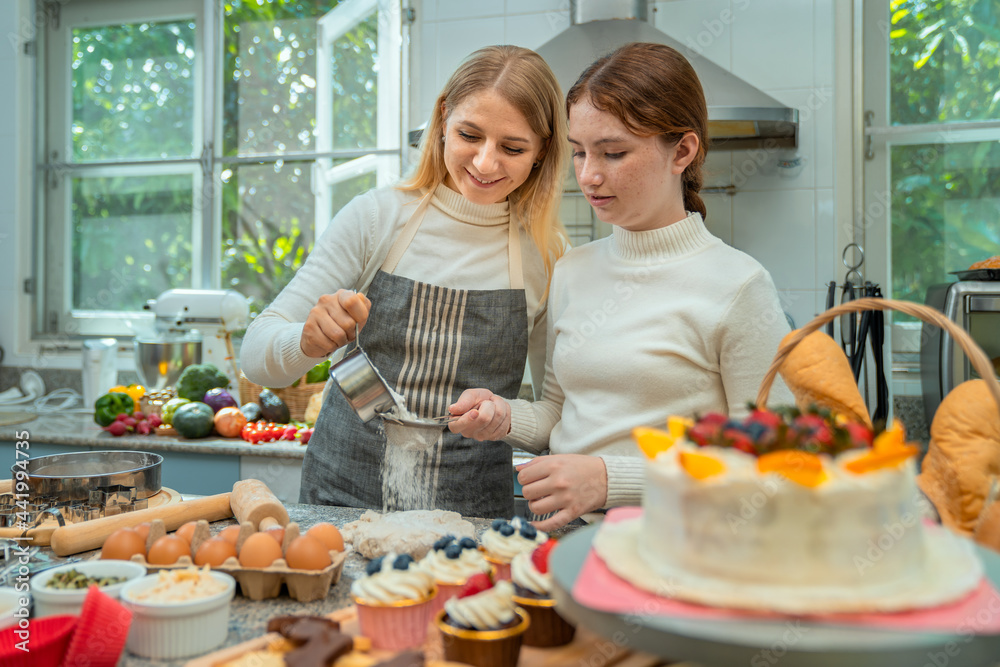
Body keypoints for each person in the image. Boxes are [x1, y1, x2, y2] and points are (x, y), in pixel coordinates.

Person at [449, 42, 794, 530]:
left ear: (683, 151)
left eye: (613, 152)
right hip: (558, 544)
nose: (589, 176)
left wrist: (614, 481)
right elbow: (559, 413)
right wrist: (503, 417)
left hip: (674, 552)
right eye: (579, 153)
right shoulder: (571, 270)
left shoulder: (739, 286)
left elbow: (774, 463)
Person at [240, 45, 569, 518]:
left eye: (512, 148)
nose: (485, 162)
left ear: (542, 153)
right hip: (343, 503)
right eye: (469, 135)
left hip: (469, 517)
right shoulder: (376, 218)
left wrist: (506, 418)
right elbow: (256, 358)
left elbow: (555, 416)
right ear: (442, 120)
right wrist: (306, 342)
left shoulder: (547, 253)